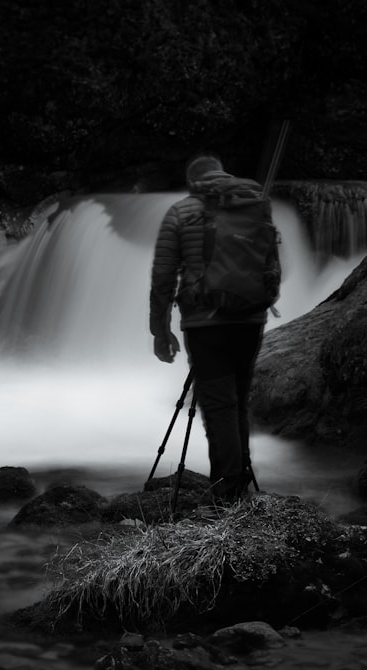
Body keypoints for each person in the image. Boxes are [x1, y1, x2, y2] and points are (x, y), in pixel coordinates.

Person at [148, 154, 281, 502]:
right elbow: (272, 264)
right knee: (236, 403)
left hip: (205, 324)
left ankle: (227, 494)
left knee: (219, 406)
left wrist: (160, 331)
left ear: (193, 182)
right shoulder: (255, 205)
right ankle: (236, 484)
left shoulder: (181, 212)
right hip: (250, 320)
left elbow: (163, 277)